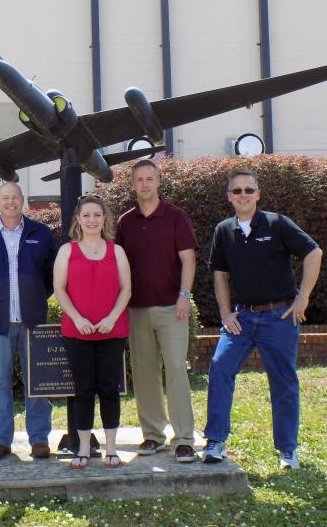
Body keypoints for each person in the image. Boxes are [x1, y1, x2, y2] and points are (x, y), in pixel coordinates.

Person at [202, 167, 323, 470]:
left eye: (248, 190)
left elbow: (313, 253)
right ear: (229, 196)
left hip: (279, 317)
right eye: (237, 190)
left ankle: (287, 450)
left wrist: (303, 297)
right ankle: (216, 441)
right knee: (219, 368)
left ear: (258, 194)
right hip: (242, 317)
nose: (243, 195)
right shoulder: (223, 230)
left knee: (283, 381)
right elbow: (219, 274)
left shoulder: (277, 224)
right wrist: (225, 313)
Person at [0, 182, 58, 461]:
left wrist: (36, 298)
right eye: (5, 198)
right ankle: (1, 440)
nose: (10, 202)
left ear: (23, 201)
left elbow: (52, 275)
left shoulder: (40, 234)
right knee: (0, 383)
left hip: (33, 320)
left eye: (15, 198)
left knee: (37, 381)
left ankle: (39, 438)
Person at [116, 159, 199, 463]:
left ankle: (184, 438)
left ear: (158, 181)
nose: (145, 184)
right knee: (144, 373)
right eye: (139, 179)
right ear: (133, 183)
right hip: (136, 310)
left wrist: (184, 296)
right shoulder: (125, 222)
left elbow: (189, 260)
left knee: (176, 370)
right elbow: (120, 265)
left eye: (150, 178)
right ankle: (153, 435)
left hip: (171, 308)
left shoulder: (175, 216)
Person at [53, 195, 131, 469]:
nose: (91, 220)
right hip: (77, 331)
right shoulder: (67, 251)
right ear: (78, 219)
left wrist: (112, 317)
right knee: (83, 390)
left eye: (97, 215)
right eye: (86, 215)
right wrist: (77, 317)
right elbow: (59, 289)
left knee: (109, 389)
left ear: (104, 218)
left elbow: (126, 290)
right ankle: (83, 449)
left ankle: (111, 449)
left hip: (112, 330)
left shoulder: (116, 251)